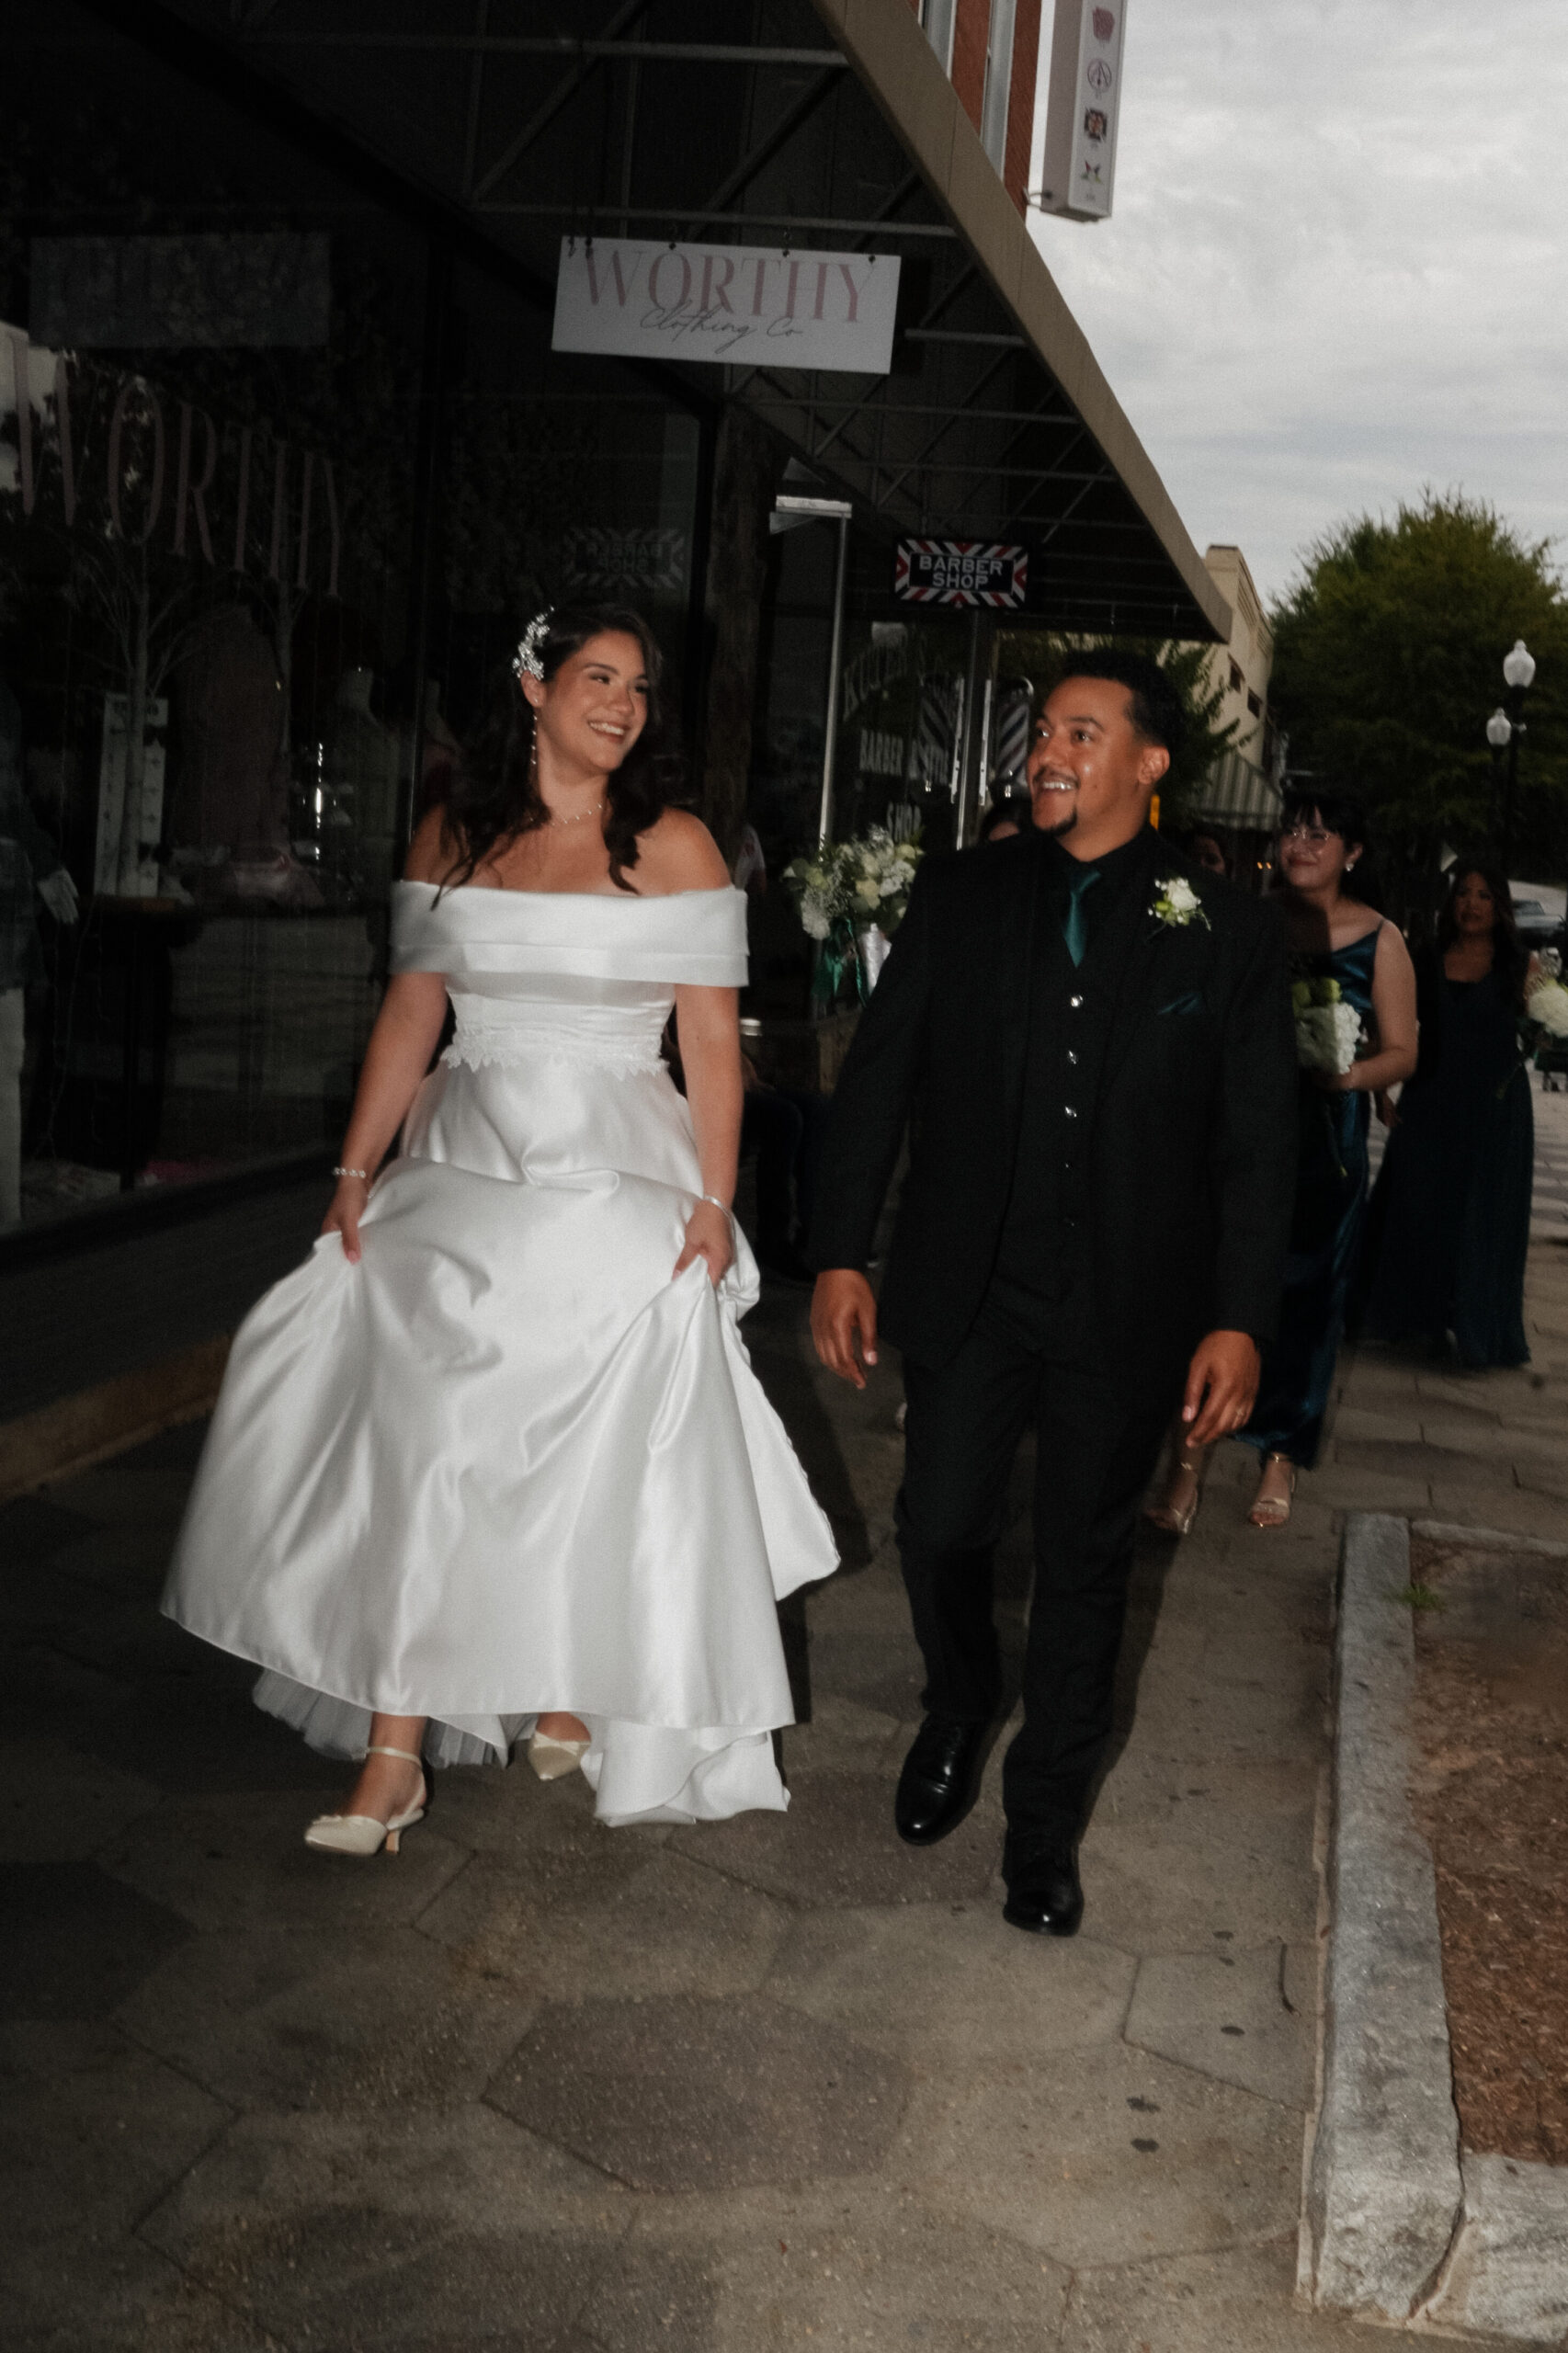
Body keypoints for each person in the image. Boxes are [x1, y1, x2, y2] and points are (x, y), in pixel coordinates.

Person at [165, 605, 837, 1851]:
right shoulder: (452, 833)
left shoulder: (678, 844)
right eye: (597, 677)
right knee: (426, 1441)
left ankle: (569, 1672)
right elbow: (411, 1014)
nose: (622, 705)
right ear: (533, 685)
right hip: (462, 1163)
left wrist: (712, 1202)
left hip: (618, 1169)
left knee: (586, 1439)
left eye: (638, 687)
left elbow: (707, 1043)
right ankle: (394, 1753)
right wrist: (355, 1169)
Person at [808, 653, 1297, 1937]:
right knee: (938, 1527)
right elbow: (879, 1077)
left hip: (1128, 1306)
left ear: (1148, 762)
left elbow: (1258, 1146)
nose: (1046, 751)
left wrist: (1238, 1318)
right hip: (971, 1285)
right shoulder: (960, 894)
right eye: (1041, 731)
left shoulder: (1228, 927)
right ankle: (960, 1698)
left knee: (1086, 1567)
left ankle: (1042, 1829)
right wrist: (842, 1250)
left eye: (1081, 732)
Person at [1157, 790, 1416, 1533]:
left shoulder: (1380, 938)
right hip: (1236, 1131)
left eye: (1320, 835)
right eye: (1293, 830)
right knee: (1213, 1293)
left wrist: (1344, 1074)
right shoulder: (1245, 919)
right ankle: (1185, 1469)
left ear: (1352, 853)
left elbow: (1402, 1051)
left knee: (1309, 1301)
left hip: (1324, 1143)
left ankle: (1282, 1454)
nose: (1300, 844)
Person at [1359, 859, 1535, 1368]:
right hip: (1431, 1100)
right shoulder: (1426, 957)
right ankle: (1414, 1318)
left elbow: (1538, 1029)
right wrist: (1380, 1089)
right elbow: (1391, 1022)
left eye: (1483, 895)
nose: (1471, 905)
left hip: (1494, 1110)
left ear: (1499, 906)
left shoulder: (1521, 965)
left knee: (1479, 1218)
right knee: (1416, 1206)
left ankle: (1475, 1327)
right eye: (1462, 894)